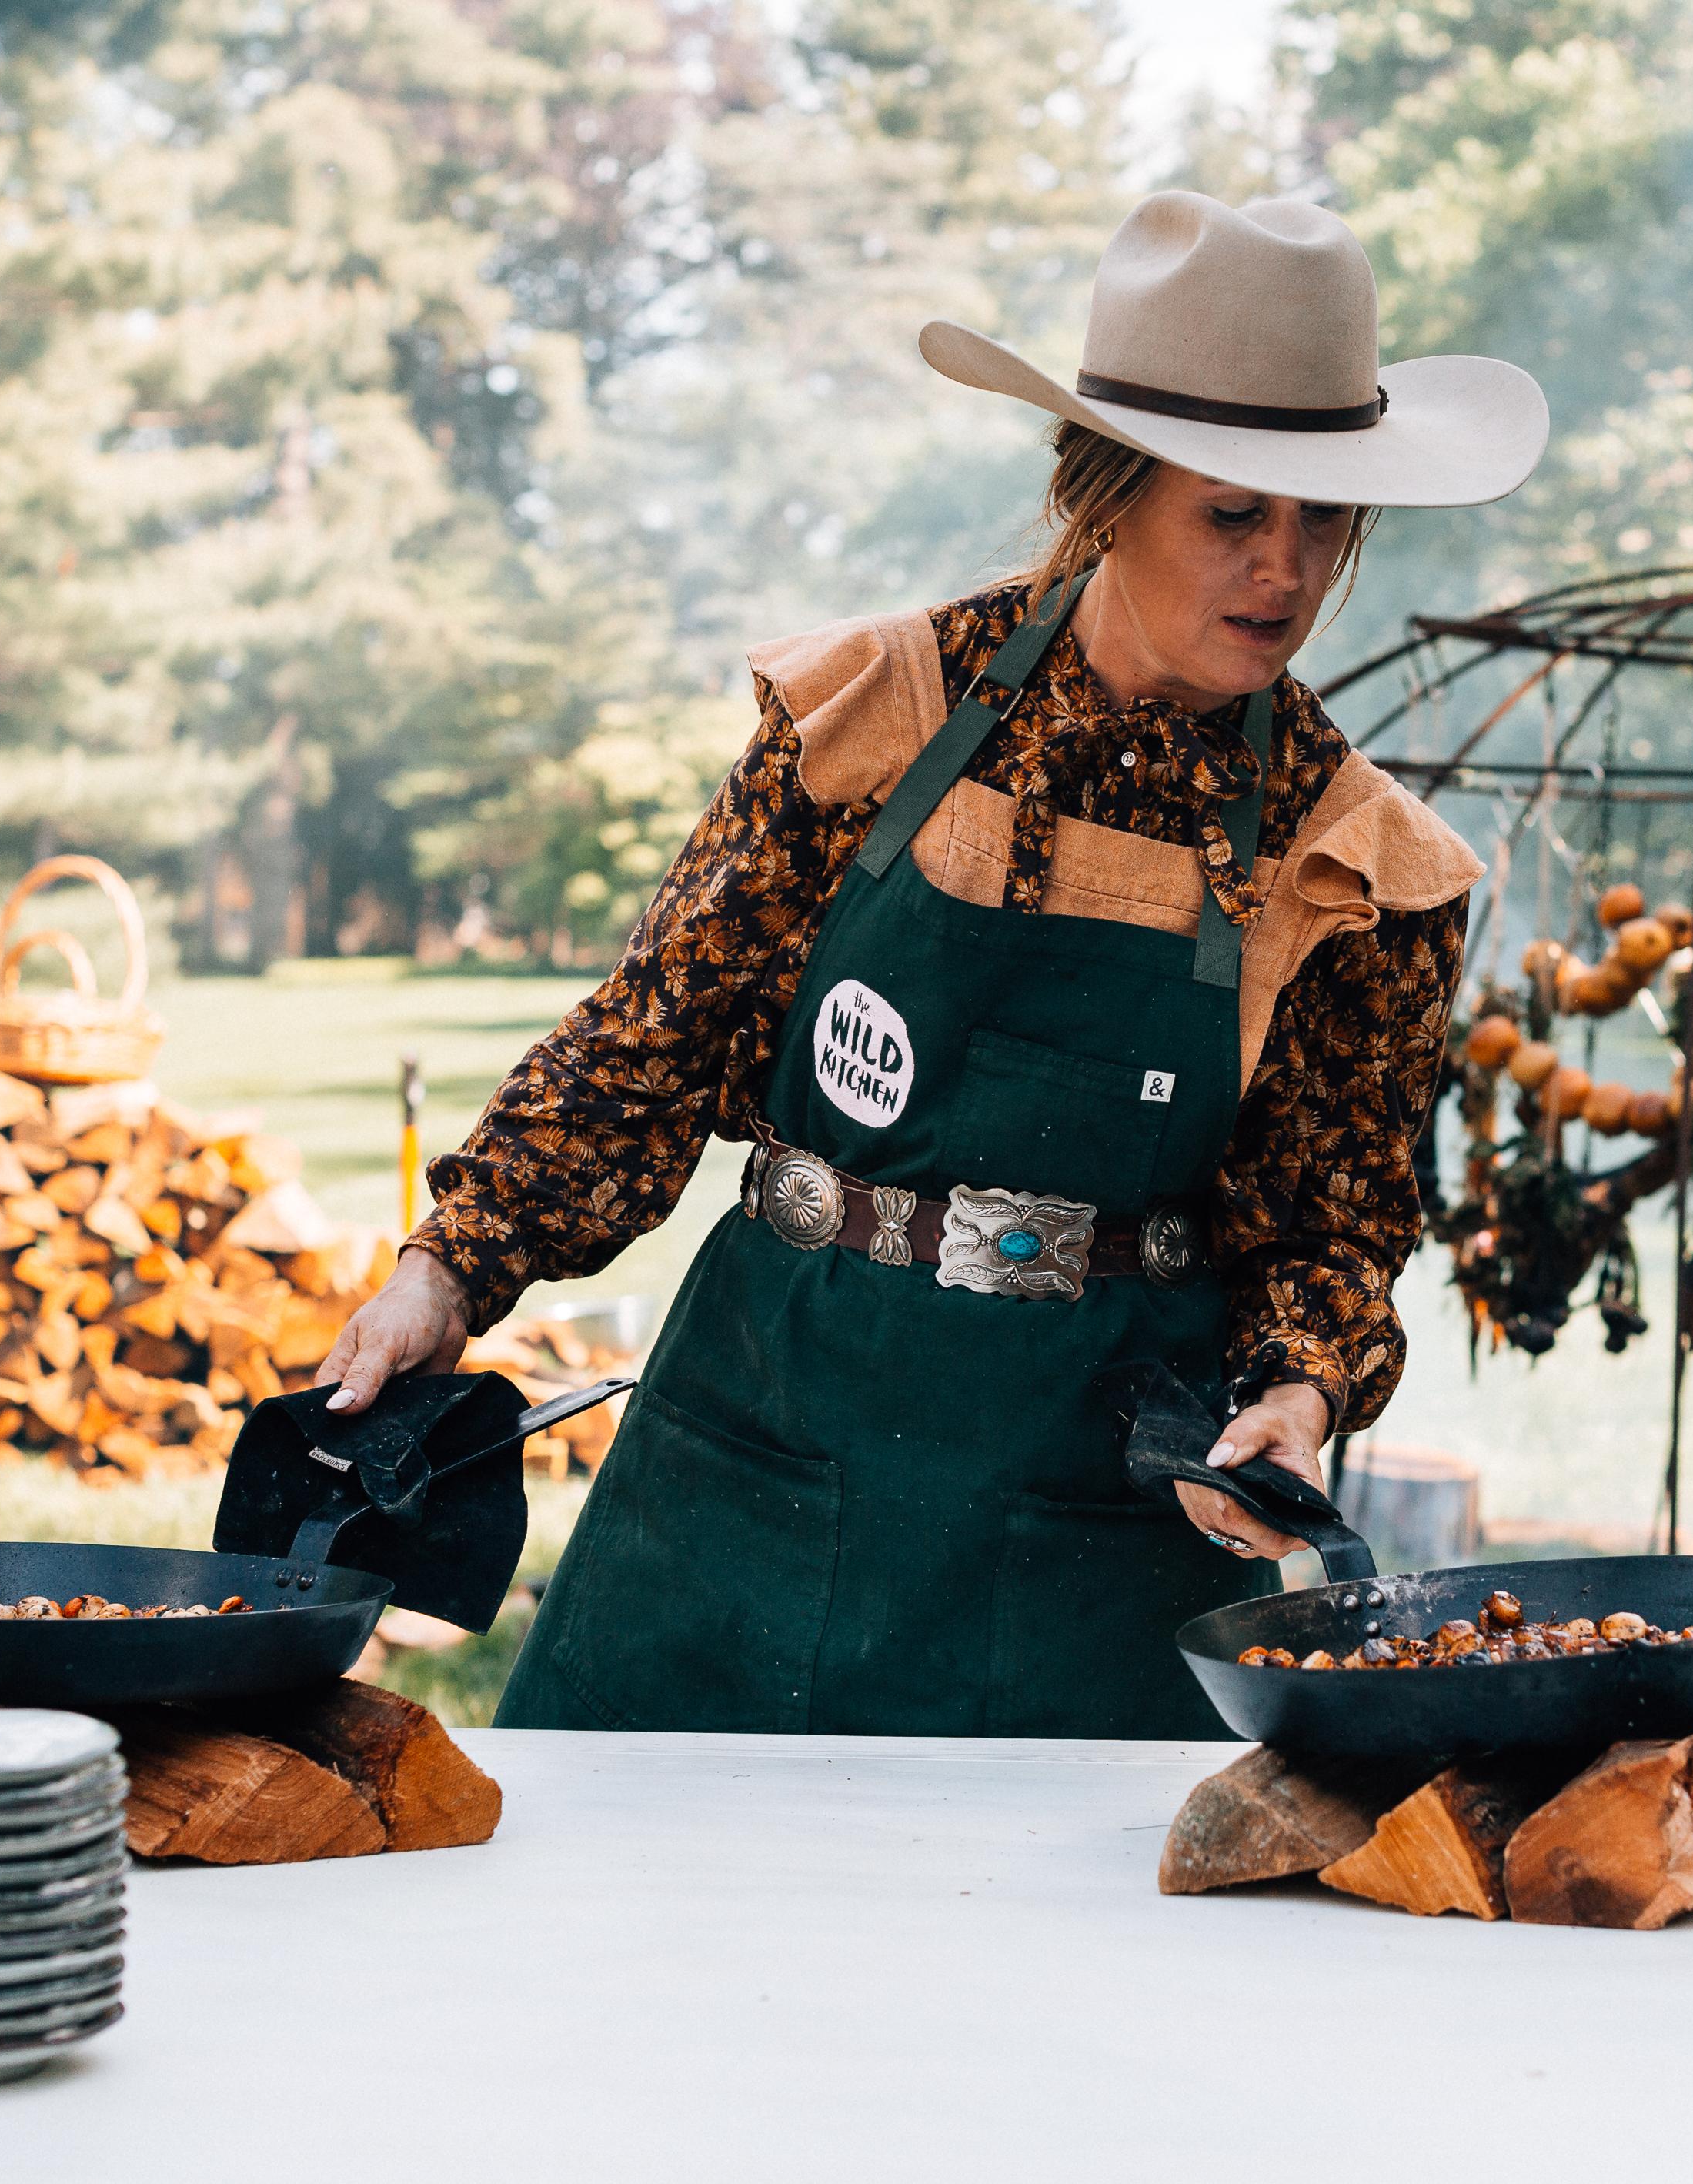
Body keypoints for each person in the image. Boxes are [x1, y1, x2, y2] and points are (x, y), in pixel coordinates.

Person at [316, 192, 1548, 1735]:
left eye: (1324, 522)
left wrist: (1298, 1392)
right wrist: (454, 1268)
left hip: (1095, 1521)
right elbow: (656, 1038)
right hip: (760, 1447)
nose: (1285, 572)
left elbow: (1330, 1225)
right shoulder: (876, 717)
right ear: (1107, 492)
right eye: (1233, 514)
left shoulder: (1348, 861)